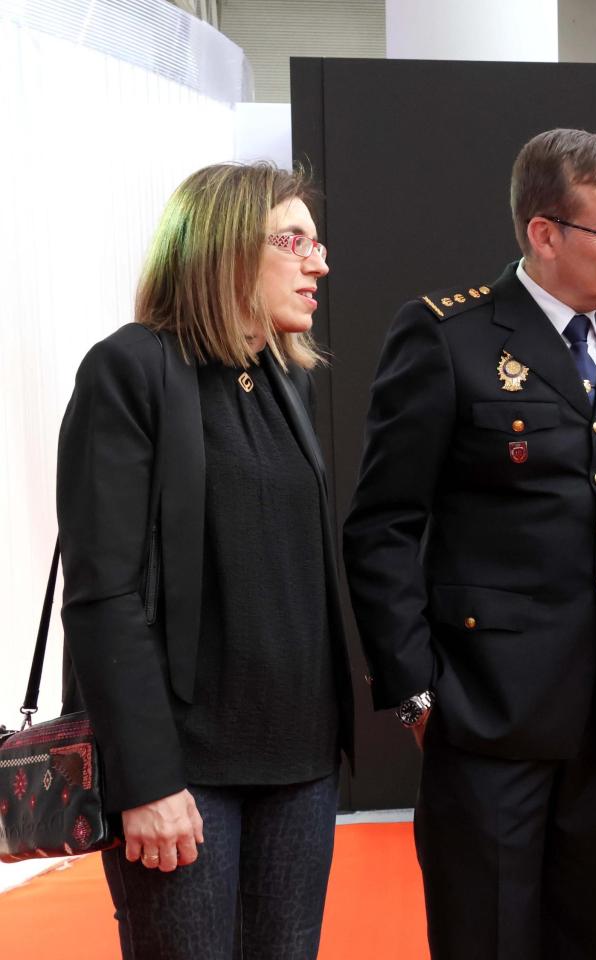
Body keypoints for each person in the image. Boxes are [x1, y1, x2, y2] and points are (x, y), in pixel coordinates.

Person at [341, 128, 596, 959]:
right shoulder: (447, 336)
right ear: (545, 234)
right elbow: (381, 527)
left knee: (587, 939)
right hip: (484, 715)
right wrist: (415, 694)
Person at [57, 162, 352, 959]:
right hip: (186, 771)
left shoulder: (281, 378)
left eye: (316, 243)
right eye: (293, 241)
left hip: (299, 761)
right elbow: (101, 594)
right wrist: (147, 781)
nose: (318, 262)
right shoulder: (131, 368)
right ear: (221, 249)